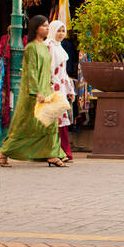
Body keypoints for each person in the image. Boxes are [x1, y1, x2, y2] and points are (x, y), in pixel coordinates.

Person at [0, 15, 67, 167]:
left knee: (51, 123)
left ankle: (52, 154)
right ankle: (4, 151)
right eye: (44, 26)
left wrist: (48, 86)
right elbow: (30, 72)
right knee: (24, 126)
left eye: (48, 26)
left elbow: (46, 70)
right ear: (36, 28)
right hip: (33, 95)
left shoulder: (43, 46)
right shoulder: (31, 48)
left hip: (46, 91)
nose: (47, 29)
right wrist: (36, 92)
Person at [47, 20, 77, 162]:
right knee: (56, 121)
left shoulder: (59, 47)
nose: (61, 34)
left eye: (63, 31)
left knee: (61, 121)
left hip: (61, 88)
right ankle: (60, 152)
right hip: (53, 88)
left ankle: (63, 152)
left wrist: (70, 89)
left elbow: (63, 72)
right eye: (58, 31)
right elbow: (49, 69)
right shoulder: (49, 46)